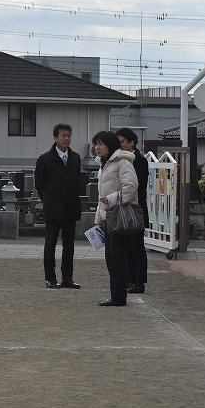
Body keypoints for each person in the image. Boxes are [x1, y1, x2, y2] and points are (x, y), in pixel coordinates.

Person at [93, 130, 138, 306]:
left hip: (118, 216)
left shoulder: (122, 162)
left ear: (110, 145)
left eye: (101, 144)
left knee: (117, 258)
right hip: (109, 217)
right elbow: (101, 194)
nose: (97, 147)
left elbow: (131, 187)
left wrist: (111, 199)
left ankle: (119, 296)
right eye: (96, 144)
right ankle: (116, 295)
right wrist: (98, 219)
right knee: (111, 258)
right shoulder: (104, 164)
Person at [34, 123, 82, 289]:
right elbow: (40, 184)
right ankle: (50, 278)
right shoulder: (45, 159)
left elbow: (76, 181)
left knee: (69, 246)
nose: (66, 138)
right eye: (63, 135)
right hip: (53, 208)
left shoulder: (75, 157)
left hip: (70, 207)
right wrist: (49, 200)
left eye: (69, 135)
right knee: (51, 244)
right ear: (55, 138)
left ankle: (67, 278)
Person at [116, 128, 149, 294]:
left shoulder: (140, 160)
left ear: (131, 143)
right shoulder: (120, 160)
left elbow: (138, 186)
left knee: (137, 247)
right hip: (124, 207)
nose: (120, 145)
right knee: (127, 247)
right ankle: (130, 279)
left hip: (136, 208)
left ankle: (139, 281)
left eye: (122, 142)